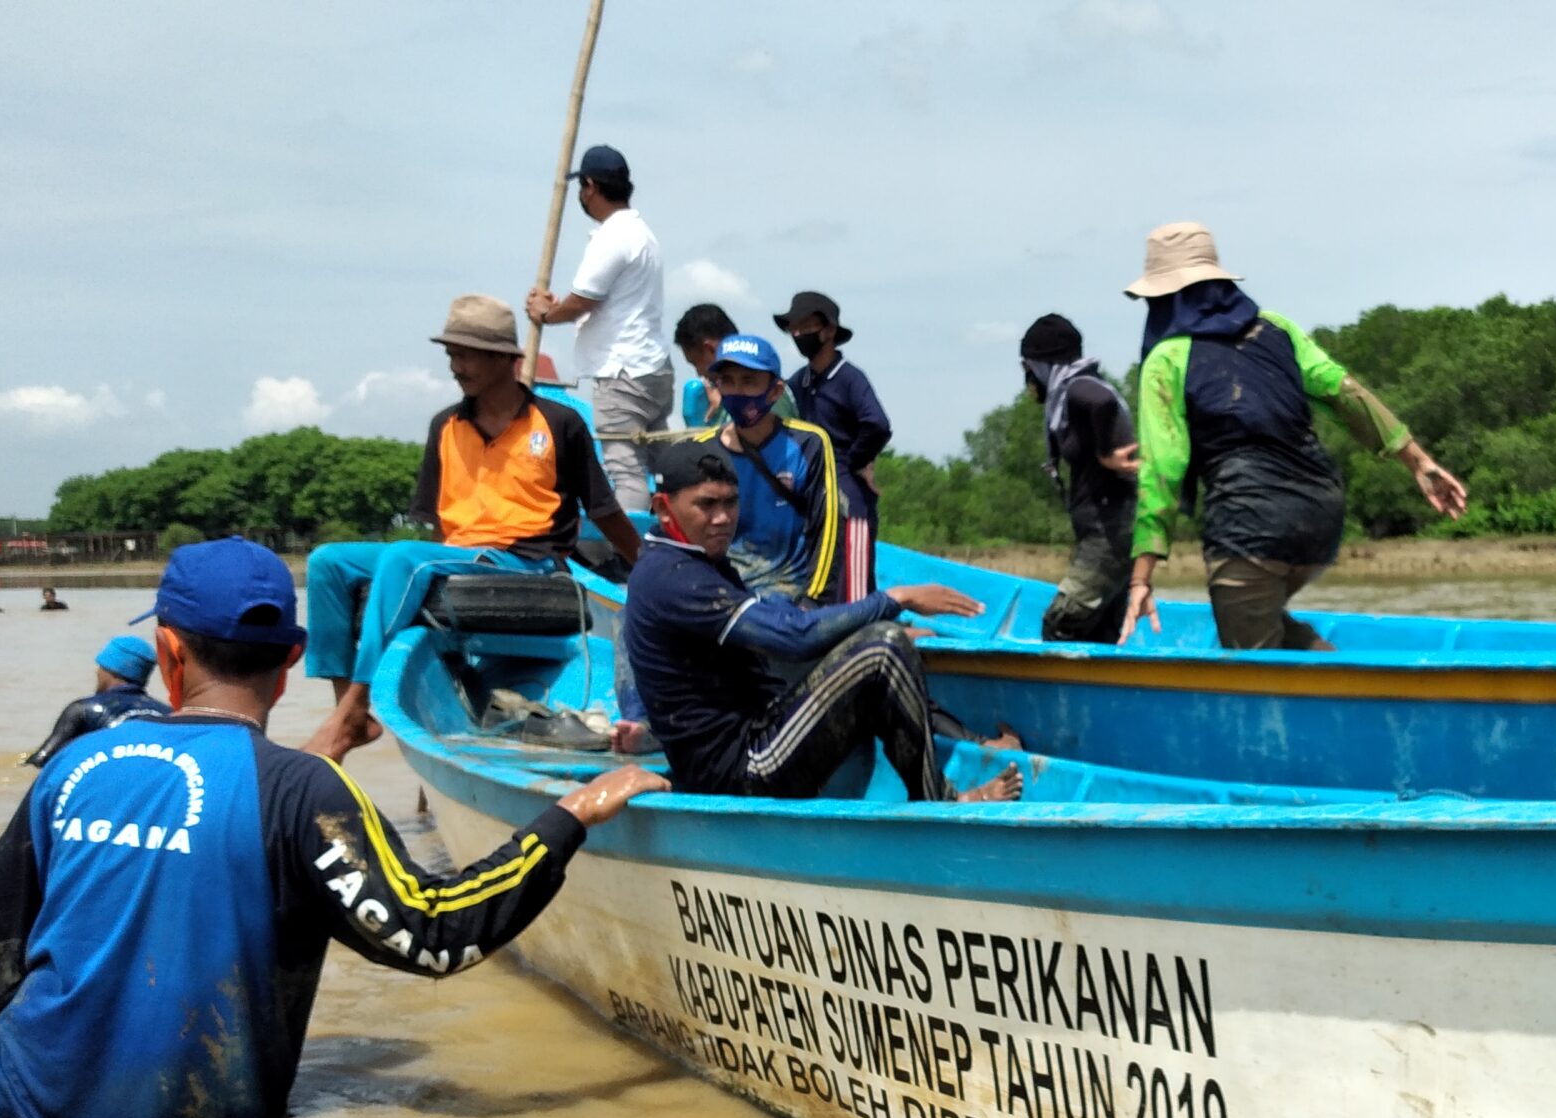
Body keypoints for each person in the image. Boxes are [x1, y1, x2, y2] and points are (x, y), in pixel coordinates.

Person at [0, 538, 666, 1118]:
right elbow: (435, 935)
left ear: (171, 653)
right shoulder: (302, 792)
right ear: (289, 662)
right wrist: (571, 814)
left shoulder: (75, 766)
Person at [306, 295, 641, 749]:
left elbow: (604, 511)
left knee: (406, 558)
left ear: (506, 359)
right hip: (459, 556)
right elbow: (439, 529)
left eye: (466, 355)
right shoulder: (444, 426)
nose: (455, 366)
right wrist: (444, 562)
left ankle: (356, 702)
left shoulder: (559, 423)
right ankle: (351, 709)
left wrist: (645, 567)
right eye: (451, 355)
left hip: (526, 560)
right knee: (328, 562)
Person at [1118, 222, 1467, 649]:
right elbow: (1345, 392)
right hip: (1320, 515)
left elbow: (1163, 469)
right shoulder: (1277, 328)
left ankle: (1350, 702)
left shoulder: (1166, 359)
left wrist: (1141, 576)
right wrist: (1418, 461)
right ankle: (1343, 674)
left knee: (1251, 659)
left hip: (1250, 524)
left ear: (1163, 298)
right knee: (1266, 626)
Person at [621, 450, 1020, 803]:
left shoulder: (695, 562)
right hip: (739, 769)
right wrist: (896, 599)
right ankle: (941, 804)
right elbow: (794, 637)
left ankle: (955, 757)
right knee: (883, 648)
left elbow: (783, 620)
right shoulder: (671, 576)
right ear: (662, 508)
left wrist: (856, 630)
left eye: (730, 502)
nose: (723, 518)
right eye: (706, 505)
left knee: (877, 648)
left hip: (758, 733)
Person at [525, 144, 673, 518]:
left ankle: (630, 555)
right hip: (651, 368)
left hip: (621, 373)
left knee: (626, 472)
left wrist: (546, 314)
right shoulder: (642, 234)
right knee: (664, 467)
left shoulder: (614, 236)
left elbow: (582, 301)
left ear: (589, 186)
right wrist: (559, 308)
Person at [1019, 314, 1140, 642]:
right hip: (1114, 533)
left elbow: (1100, 403)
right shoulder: (1082, 384)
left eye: (1027, 367)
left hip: (1107, 536)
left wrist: (1105, 453)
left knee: (1061, 623)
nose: (1028, 378)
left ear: (1041, 365)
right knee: (1099, 634)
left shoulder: (1076, 387)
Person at [700, 334, 844, 604]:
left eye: (749, 381)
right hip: (721, 599)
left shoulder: (808, 444)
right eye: (728, 381)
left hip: (790, 597)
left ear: (775, 391)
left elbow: (828, 530)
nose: (737, 392)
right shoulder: (701, 450)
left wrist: (813, 602)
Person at [778, 291, 888, 601]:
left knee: (853, 588)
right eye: (794, 328)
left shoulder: (849, 378)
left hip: (846, 492)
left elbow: (877, 424)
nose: (799, 334)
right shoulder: (798, 383)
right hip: (810, 492)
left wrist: (855, 462)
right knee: (820, 583)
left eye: (806, 326)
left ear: (829, 331)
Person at [24, 635, 171, 767]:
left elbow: (41, 759)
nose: (97, 673)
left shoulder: (83, 710)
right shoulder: (168, 713)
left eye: (100, 667)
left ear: (111, 670)